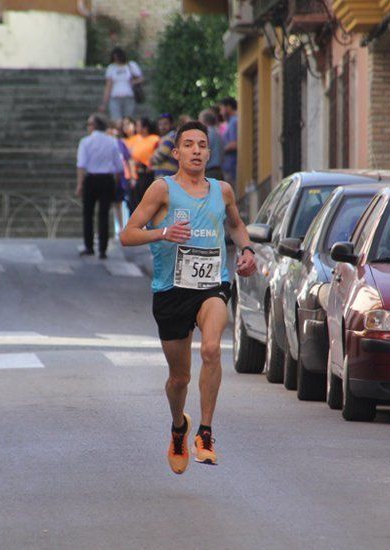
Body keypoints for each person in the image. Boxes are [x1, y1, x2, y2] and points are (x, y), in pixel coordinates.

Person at [120, 120, 256, 474]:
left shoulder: (222, 190)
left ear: (209, 153)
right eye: (189, 145)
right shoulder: (161, 190)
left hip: (212, 285)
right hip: (171, 290)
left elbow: (237, 224)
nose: (196, 150)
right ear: (176, 153)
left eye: (202, 145)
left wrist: (247, 250)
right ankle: (179, 426)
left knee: (211, 349)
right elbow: (128, 235)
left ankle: (206, 433)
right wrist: (163, 233)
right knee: (179, 378)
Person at [76, 114, 124, 259]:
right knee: (104, 215)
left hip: (91, 179)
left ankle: (89, 246)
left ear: (94, 126)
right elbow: (119, 167)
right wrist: (115, 183)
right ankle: (103, 249)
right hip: (107, 179)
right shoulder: (112, 142)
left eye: (89, 124)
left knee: (88, 214)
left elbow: (81, 165)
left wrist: (79, 184)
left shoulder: (86, 142)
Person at [100, 48, 144, 122]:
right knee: (116, 120)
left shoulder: (131, 65)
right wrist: (104, 103)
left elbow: (141, 78)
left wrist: (134, 82)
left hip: (129, 96)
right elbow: (108, 86)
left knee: (129, 120)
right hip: (115, 97)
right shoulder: (111, 68)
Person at [129, 118, 160, 211]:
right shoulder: (134, 139)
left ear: (145, 128)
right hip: (135, 173)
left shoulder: (155, 139)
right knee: (134, 202)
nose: (136, 128)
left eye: (138, 125)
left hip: (148, 173)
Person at [199, 109, 225, 181]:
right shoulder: (218, 133)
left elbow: (202, 154)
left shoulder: (207, 134)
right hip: (218, 171)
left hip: (209, 173)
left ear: (203, 121)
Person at [150, 114, 178, 179]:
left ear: (171, 124)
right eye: (160, 124)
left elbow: (157, 158)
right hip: (166, 176)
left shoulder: (171, 138)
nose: (162, 127)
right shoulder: (164, 138)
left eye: (165, 124)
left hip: (167, 175)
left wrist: (151, 159)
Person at [219, 97, 238, 184]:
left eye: (222, 109)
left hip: (231, 167)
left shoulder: (234, 122)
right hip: (228, 167)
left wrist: (221, 150)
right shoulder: (231, 122)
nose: (221, 112)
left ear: (228, 107)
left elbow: (234, 144)